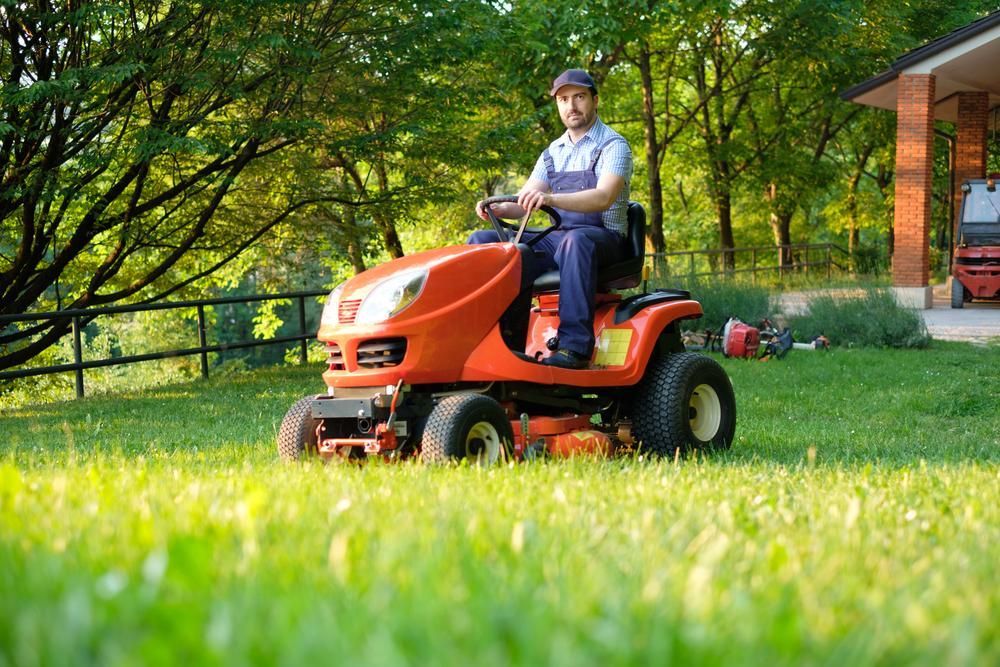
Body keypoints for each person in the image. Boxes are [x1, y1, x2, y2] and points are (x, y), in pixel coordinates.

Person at [469, 69, 633, 369]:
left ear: (595, 100)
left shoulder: (614, 146)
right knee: (484, 242)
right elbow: (524, 203)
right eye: (563, 99)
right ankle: (498, 343)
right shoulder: (553, 152)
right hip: (563, 240)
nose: (571, 106)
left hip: (604, 240)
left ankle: (573, 348)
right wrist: (499, 208)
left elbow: (603, 197)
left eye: (579, 97)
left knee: (576, 240)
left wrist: (551, 199)